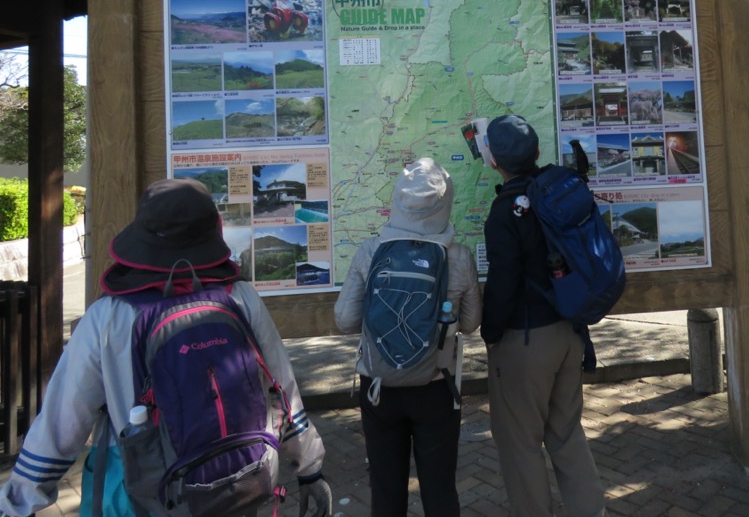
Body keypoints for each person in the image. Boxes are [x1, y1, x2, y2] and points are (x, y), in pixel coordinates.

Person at [0, 178, 332, 517]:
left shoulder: (110, 315)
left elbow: (63, 419)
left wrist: (19, 500)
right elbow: (282, 387)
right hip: (238, 480)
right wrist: (310, 466)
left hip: (144, 492)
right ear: (211, 230)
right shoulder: (240, 297)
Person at [334, 157, 481, 517]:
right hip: (436, 385)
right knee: (439, 485)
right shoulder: (458, 257)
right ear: (445, 204)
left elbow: (345, 319)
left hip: (379, 385)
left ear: (397, 200)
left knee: (385, 485)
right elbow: (472, 323)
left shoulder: (371, 252)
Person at [482, 114, 606, 517]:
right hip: (571, 332)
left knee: (521, 446)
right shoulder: (557, 190)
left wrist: (492, 333)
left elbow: (503, 282)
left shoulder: (504, 212)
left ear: (493, 161)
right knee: (567, 434)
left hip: (526, 341)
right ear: (537, 153)